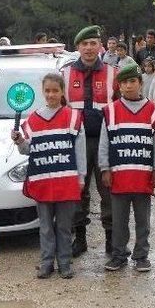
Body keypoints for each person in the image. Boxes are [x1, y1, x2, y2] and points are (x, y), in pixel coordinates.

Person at [12, 73, 86, 279]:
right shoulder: (33, 119)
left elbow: (80, 151)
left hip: (66, 181)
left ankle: (65, 263)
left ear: (62, 91)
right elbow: (28, 150)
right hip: (42, 181)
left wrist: (81, 178)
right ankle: (46, 263)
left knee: (63, 226)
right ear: (43, 92)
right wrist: (19, 141)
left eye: (55, 90)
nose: (51, 94)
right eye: (47, 91)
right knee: (45, 227)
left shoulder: (73, 116)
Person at [98, 64, 155, 272]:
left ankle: (141, 255)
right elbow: (104, 142)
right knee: (119, 221)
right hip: (119, 175)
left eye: (132, 81)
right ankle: (119, 254)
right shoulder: (110, 111)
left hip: (143, 175)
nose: (128, 86)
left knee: (142, 220)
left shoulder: (154, 111)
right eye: (124, 82)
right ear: (119, 85)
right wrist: (104, 168)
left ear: (140, 83)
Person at [61, 25, 119, 256]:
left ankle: (110, 239)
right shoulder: (64, 74)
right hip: (77, 142)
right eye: (84, 44)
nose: (88, 48)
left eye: (93, 43)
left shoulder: (113, 73)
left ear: (99, 46)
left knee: (108, 189)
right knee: (78, 191)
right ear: (78, 47)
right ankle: (80, 239)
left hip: (105, 141)